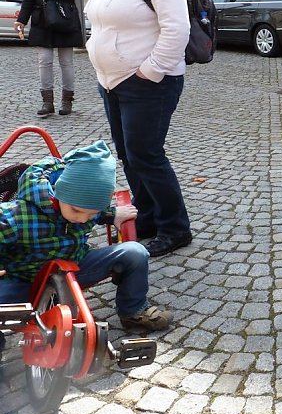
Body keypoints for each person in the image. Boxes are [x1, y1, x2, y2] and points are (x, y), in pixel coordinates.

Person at [85, 0, 193, 258]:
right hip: (112, 80)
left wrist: (150, 71)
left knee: (146, 154)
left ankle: (175, 227)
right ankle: (147, 216)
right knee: (129, 155)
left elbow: (177, 28)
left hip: (147, 82)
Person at [0, 141, 172, 360]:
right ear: (59, 193)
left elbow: (92, 209)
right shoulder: (18, 215)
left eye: (91, 215)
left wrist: (111, 215)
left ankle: (133, 309)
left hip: (75, 267)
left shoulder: (84, 207)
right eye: (77, 211)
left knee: (135, 253)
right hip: (25, 280)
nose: (82, 219)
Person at [14, 0, 86, 117]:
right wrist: (21, 19)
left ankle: (67, 101)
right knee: (44, 61)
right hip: (42, 19)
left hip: (64, 18)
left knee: (66, 62)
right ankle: (47, 102)